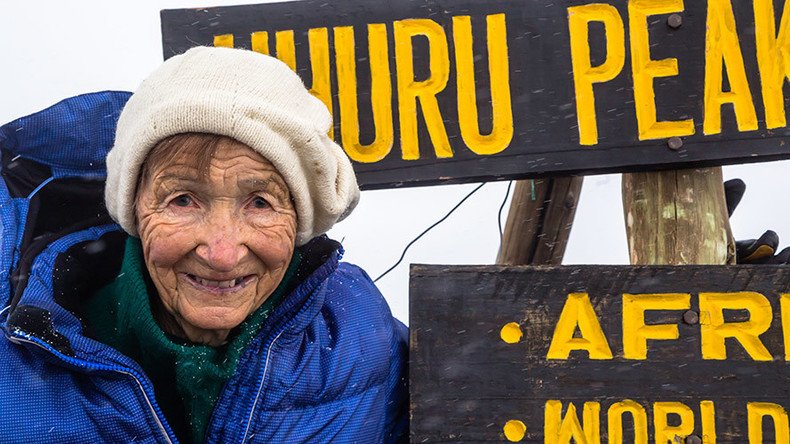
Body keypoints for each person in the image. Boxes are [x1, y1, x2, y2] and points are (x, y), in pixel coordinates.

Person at [0, 46, 407, 443]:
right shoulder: (18, 360)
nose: (222, 254)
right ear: (134, 209)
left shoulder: (357, 328)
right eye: (182, 200)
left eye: (261, 203)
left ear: (302, 220)